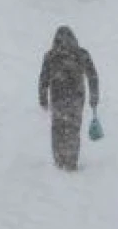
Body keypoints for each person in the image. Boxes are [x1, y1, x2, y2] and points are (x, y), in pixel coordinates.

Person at [38, 26, 100, 171]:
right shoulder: (81, 54)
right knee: (73, 129)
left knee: (58, 129)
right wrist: (94, 97)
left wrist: (43, 99)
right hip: (76, 99)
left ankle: (59, 160)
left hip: (58, 99)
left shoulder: (51, 55)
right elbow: (92, 76)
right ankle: (71, 160)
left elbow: (43, 80)